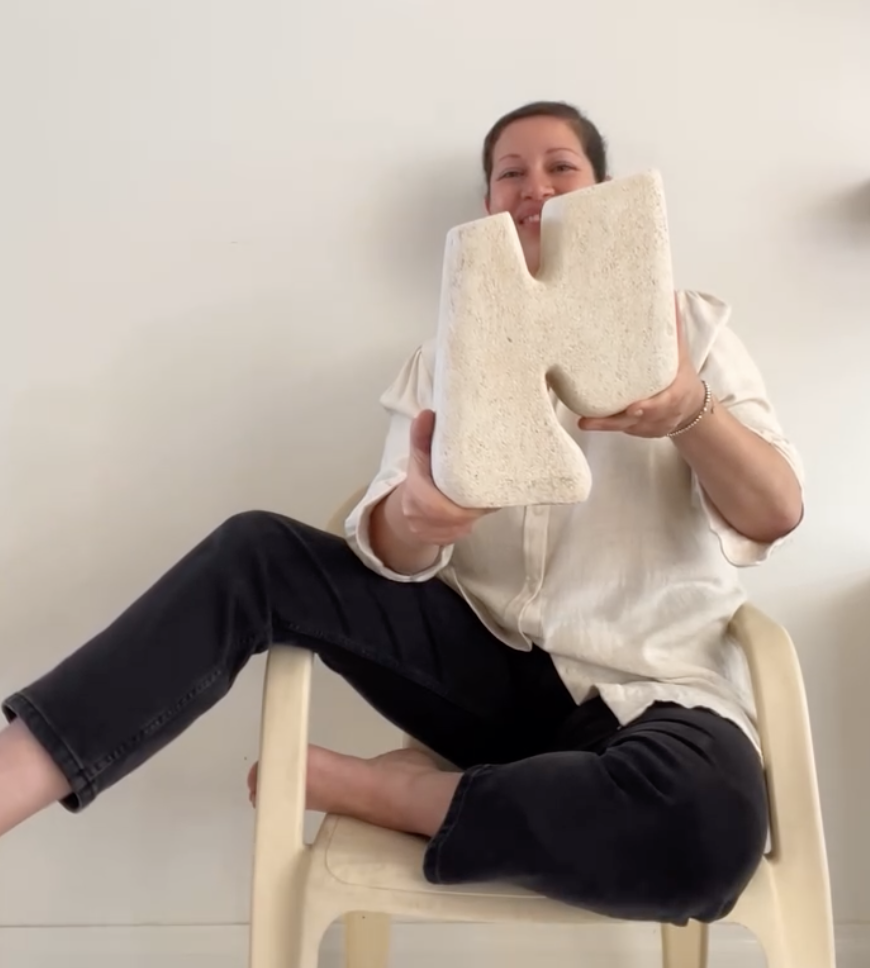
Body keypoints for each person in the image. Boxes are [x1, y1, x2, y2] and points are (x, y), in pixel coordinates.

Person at [0, 101, 803, 925]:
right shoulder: (441, 363)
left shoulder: (692, 331)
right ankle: (13, 774)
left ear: (601, 190)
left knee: (700, 833)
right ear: (488, 204)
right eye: (510, 174)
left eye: (561, 168)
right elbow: (387, 546)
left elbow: (775, 512)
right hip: (482, 680)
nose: (534, 188)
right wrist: (416, 521)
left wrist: (689, 414)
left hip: (661, 692)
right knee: (256, 554)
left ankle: (404, 792)